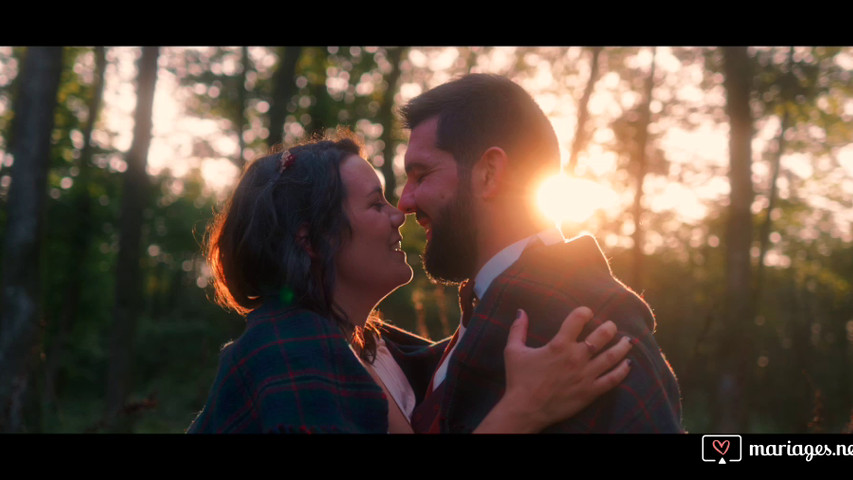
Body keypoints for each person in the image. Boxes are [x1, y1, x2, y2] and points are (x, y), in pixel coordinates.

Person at [187, 132, 634, 433]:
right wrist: (523, 411)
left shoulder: (376, 348)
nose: (400, 215)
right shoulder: (284, 353)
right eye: (375, 204)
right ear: (311, 241)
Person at [397, 73, 683, 433]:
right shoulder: (496, 309)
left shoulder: (582, 333)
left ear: (488, 173)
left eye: (421, 176)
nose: (404, 202)